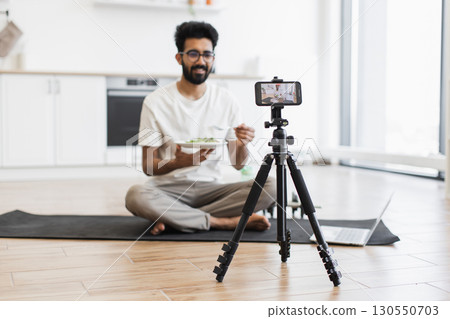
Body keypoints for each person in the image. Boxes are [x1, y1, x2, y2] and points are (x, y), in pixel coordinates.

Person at [125, 21, 276, 235]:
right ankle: (220, 222)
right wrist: (177, 163)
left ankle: (174, 218)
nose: (201, 61)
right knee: (135, 195)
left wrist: (242, 145)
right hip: (169, 190)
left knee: (272, 186)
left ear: (213, 58)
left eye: (207, 54)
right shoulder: (155, 101)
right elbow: (148, 166)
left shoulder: (227, 100)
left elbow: (237, 164)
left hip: (212, 189)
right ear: (180, 58)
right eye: (193, 54)